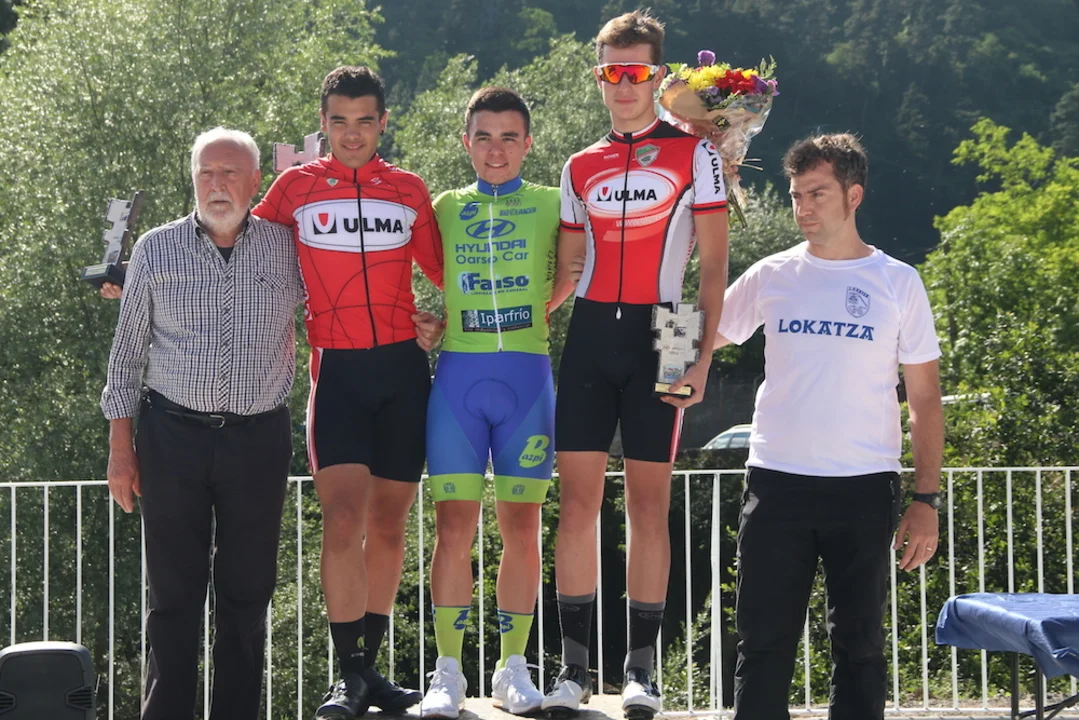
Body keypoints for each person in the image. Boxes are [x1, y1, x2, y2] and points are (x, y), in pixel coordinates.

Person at [715, 133, 943, 720]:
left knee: (860, 646)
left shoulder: (898, 282)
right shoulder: (772, 274)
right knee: (763, 642)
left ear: (854, 195)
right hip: (776, 482)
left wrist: (926, 500)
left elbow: (924, 399)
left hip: (864, 484)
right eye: (796, 195)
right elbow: (699, 334)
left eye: (817, 193)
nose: (803, 207)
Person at [544, 10, 730, 720]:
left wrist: (701, 358)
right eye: (610, 72)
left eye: (636, 72)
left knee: (650, 506)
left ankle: (641, 672)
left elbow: (713, 267)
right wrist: (501, 316)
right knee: (577, 506)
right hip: (591, 333)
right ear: (598, 77)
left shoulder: (696, 155)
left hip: (669, 328)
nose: (622, 85)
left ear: (657, 76)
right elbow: (566, 271)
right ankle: (572, 669)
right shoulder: (578, 165)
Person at [252, 66, 444, 719]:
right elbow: (239, 249)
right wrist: (144, 271)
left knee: (388, 526)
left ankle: (370, 676)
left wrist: (441, 319)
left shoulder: (409, 189)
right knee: (340, 521)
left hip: (403, 372)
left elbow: (451, 272)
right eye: (339, 121)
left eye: (365, 121)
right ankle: (350, 674)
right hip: (335, 373)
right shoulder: (293, 188)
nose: (352, 134)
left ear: (383, 122)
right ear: (323, 123)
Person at [101, 127, 302, 719]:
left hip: (258, 440)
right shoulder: (155, 249)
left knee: (248, 595)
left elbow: (336, 310)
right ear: (192, 180)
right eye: (206, 173)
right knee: (172, 597)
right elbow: (126, 356)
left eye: (230, 172)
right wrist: (120, 451)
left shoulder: (289, 248)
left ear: (255, 180)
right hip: (170, 438)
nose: (217, 185)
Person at [418, 87, 579, 720]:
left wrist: (544, 307)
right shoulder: (444, 207)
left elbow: (575, 267)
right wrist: (434, 319)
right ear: (466, 142)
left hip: (527, 380)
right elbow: (415, 267)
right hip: (459, 378)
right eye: (483, 136)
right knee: (453, 529)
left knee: (522, 527)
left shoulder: (551, 202)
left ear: (528, 144)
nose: (496, 149)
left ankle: (513, 667)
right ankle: (448, 672)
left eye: (509, 136)